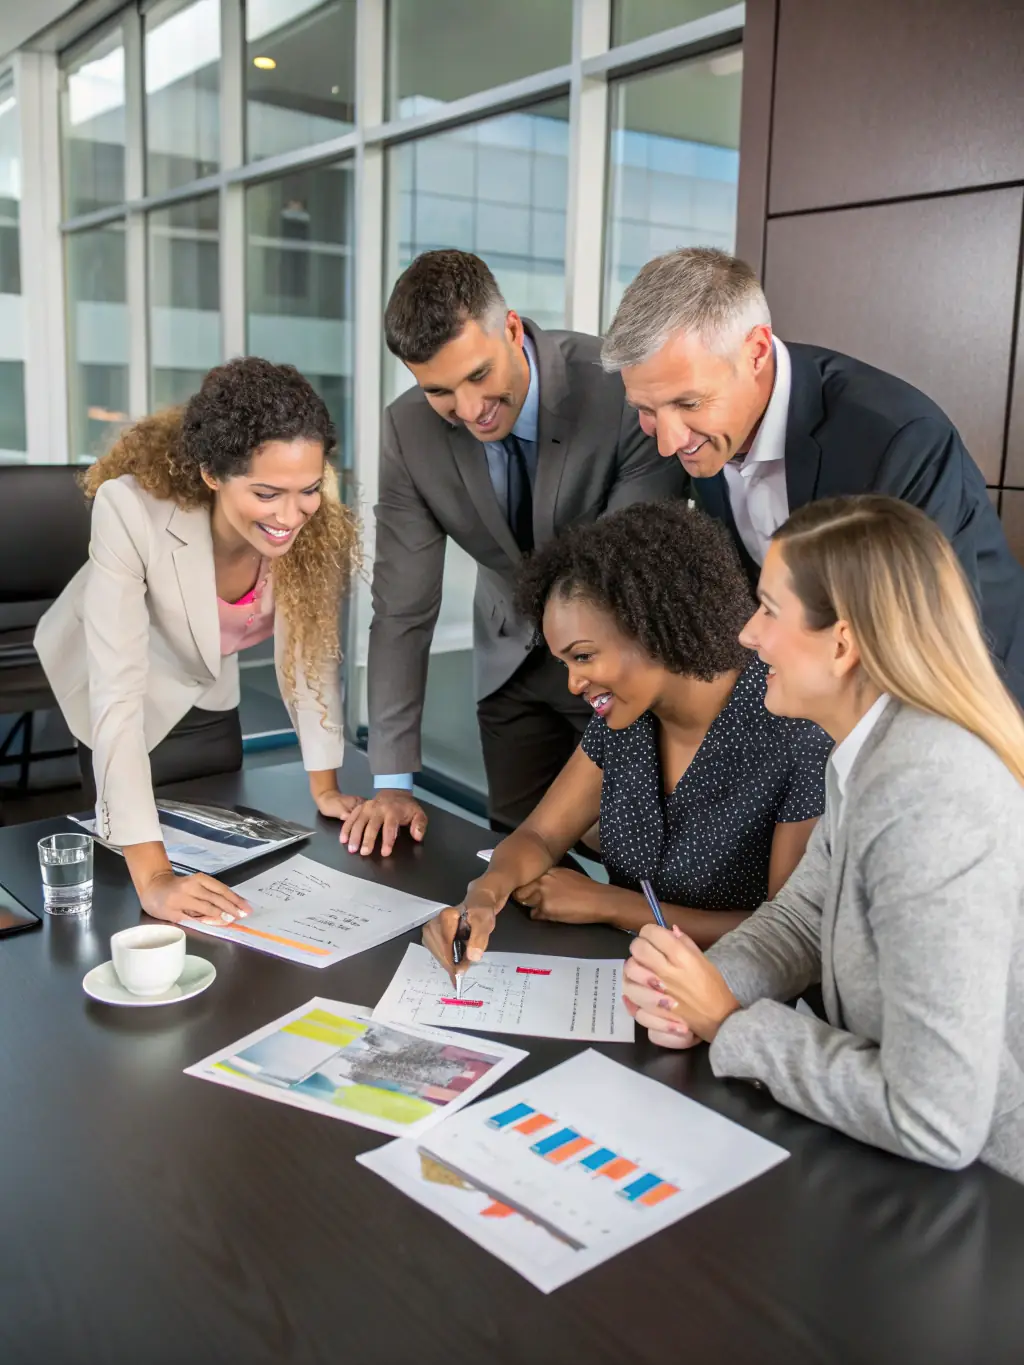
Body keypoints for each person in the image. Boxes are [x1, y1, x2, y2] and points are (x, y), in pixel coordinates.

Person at [623, 496, 1024, 1181]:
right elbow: (805, 915)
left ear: (842, 644)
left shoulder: (931, 794)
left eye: (768, 610)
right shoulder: (868, 750)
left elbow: (937, 1117)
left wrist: (729, 1023)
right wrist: (702, 986)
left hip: (984, 1195)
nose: (748, 634)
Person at [343, 249, 686, 858]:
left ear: (510, 328)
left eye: (479, 375)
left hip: (616, 654)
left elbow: (632, 568)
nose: (469, 409)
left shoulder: (618, 389)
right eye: (439, 391)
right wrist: (393, 783)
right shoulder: (408, 431)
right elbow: (402, 609)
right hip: (508, 662)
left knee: (634, 856)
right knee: (516, 856)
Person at [421, 501, 833, 976]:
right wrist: (483, 896)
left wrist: (612, 905)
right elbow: (539, 835)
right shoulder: (627, 714)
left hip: (728, 996)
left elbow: (788, 935)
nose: (573, 683)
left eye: (583, 656)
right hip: (628, 978)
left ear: (653, 629)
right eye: (564, 663)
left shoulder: (793, 727)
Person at [602, 247, 1024, 704]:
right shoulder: (698, 426)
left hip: (963, 698)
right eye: (646, 410)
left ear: (756, 352)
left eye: (689, 404)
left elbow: (929, 640)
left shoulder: (899, 439)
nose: (667, 443)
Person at [36, 357, 363, 928]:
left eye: (308, 489)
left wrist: (325, 787)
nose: (292, 515)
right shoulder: (130, 510)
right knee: (129, 875)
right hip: (118, 689)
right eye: (267, 493)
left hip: (208, 685)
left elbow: (308, 658)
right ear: (213, 474)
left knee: (225, 855)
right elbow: (117, 697)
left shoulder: (313, 524)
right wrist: (155, 879)